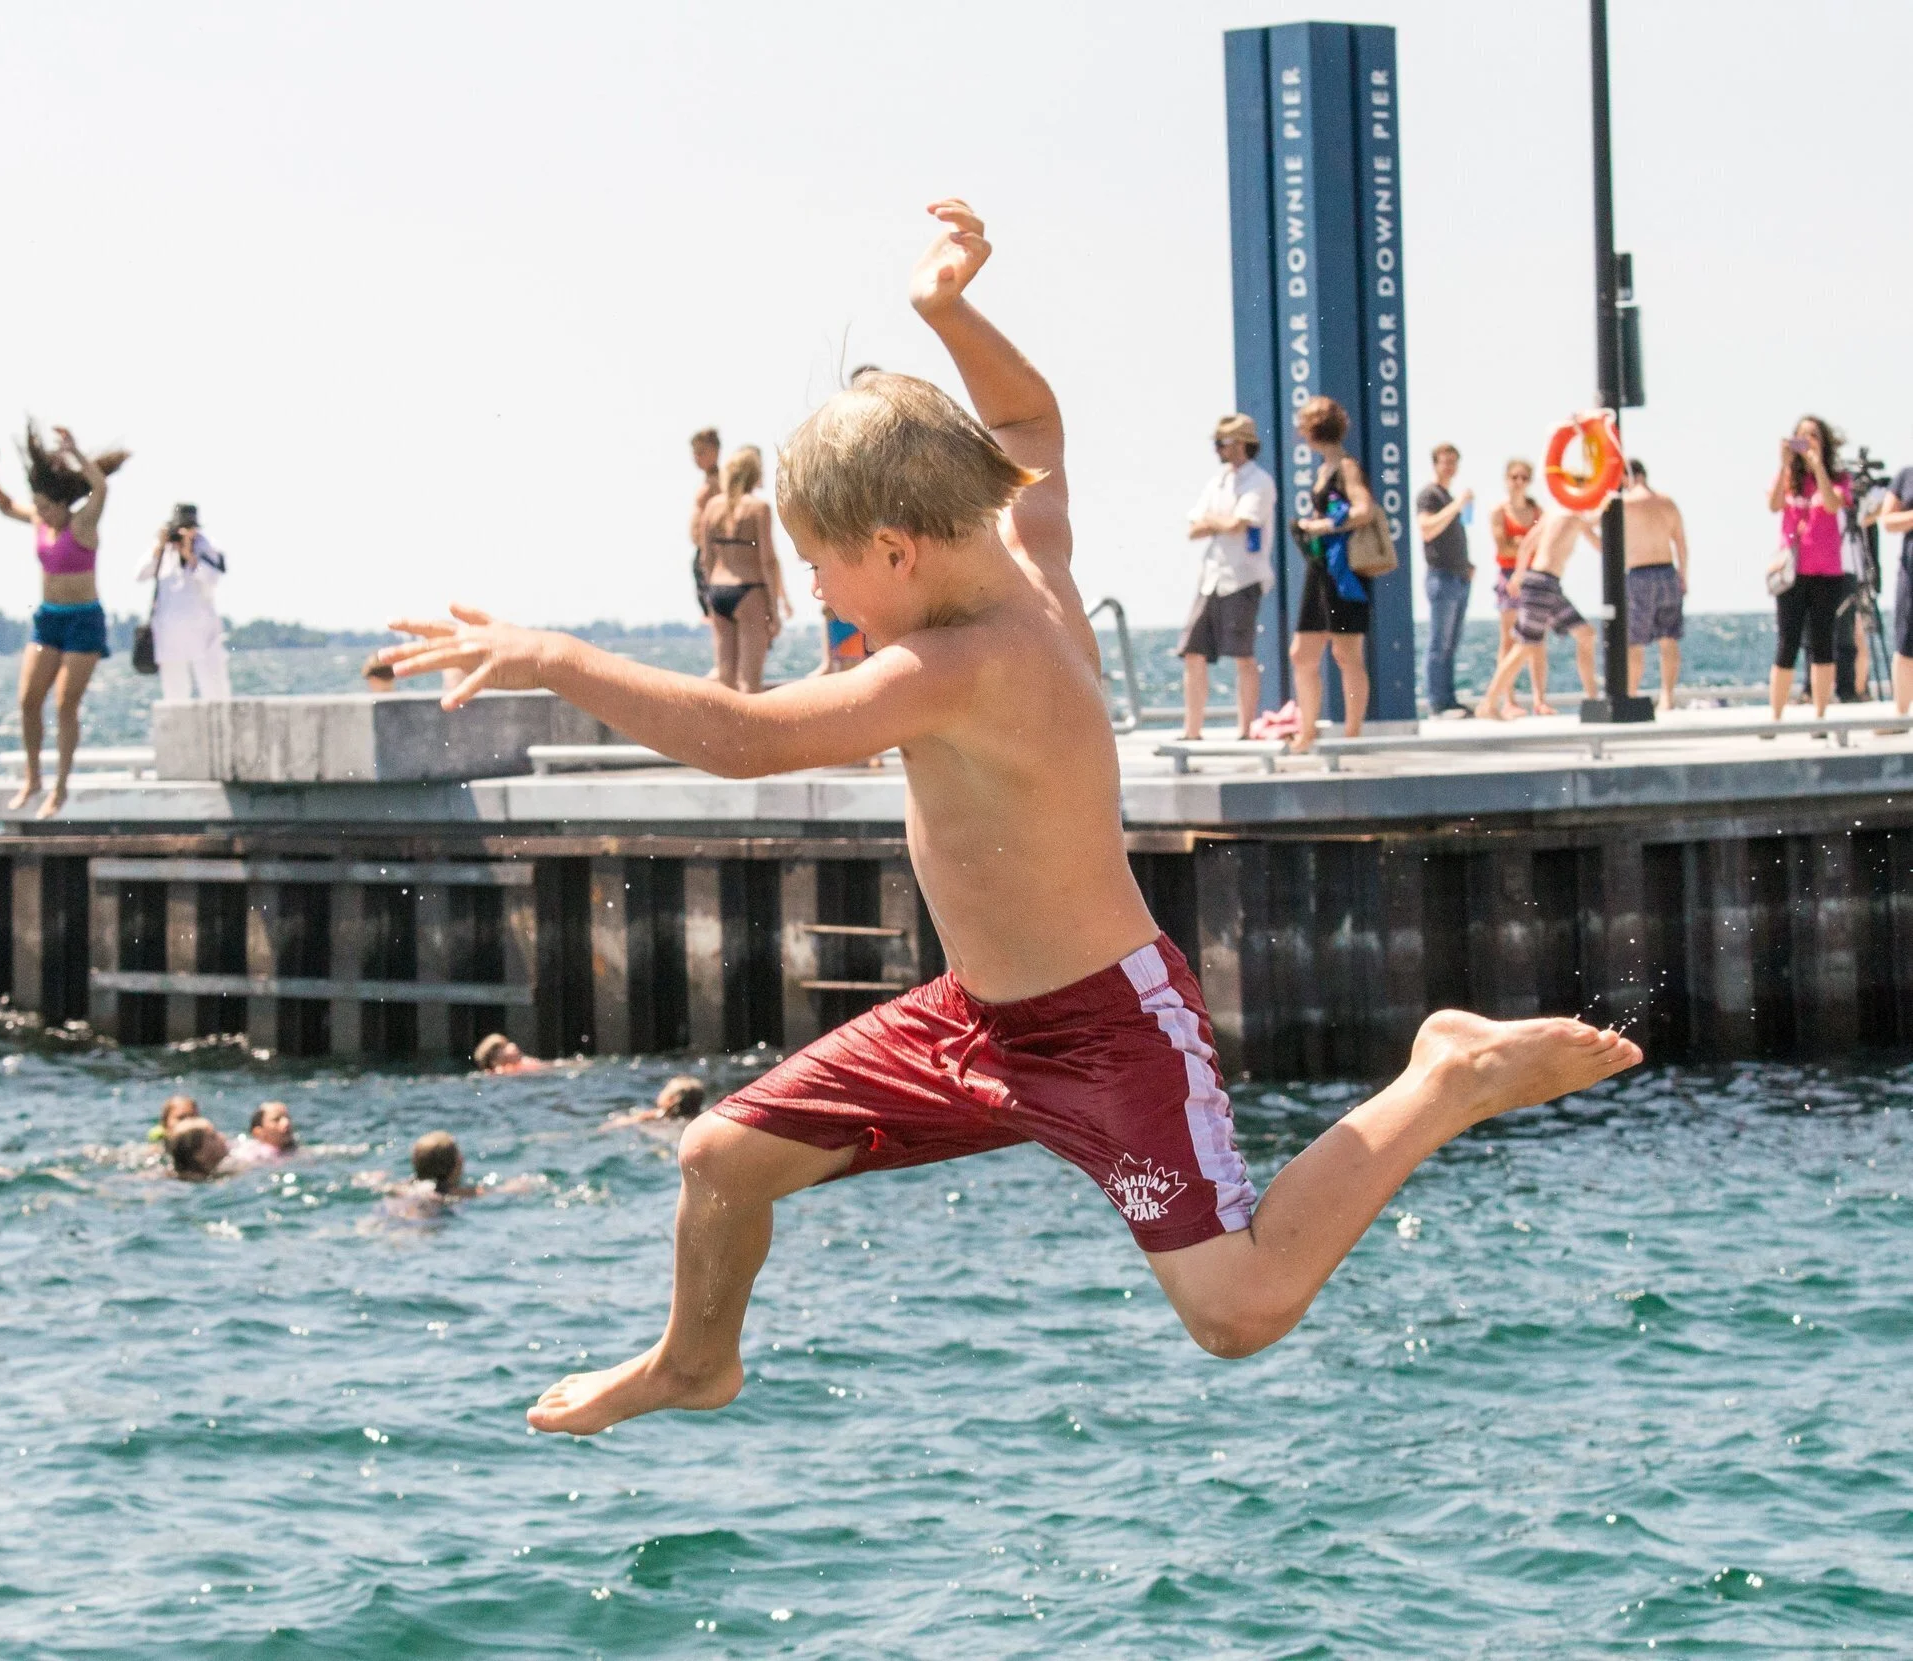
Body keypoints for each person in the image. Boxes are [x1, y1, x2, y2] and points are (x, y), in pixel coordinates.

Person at [378, 200, 1639, 1437]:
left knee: (1239, 1309)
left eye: (820, 560)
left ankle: (1442, 1075)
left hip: (1109, 1027)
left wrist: (553, 653)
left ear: (895, 548)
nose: (811, 582)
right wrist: (949, 311)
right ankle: (691, 1362)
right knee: (719, 1156)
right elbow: (1029, 420)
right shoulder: (1027, 546)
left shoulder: (960, 665)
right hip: (974, 1015)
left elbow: (745, 739)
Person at [0, 422, 129, 816]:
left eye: (47, 506)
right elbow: (6, 507)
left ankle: (60, 788)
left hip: (84, 621)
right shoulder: (39, 521)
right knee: (28, 701)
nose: (41, 514)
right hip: (48, 619)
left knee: (66, 705)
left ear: (64, 504)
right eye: (39, 507)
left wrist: (78, 453)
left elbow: (101, 488)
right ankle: (33, 778)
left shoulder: (83, 525)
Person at [1178, 414, 1278, 741]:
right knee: (1192, 651)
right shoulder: (1218, 481)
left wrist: (1214, 520)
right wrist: (1223, 521)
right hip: (1211, 577)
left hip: (1243, 577)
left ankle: (1245, 730)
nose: (1217, 449)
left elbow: (1241, 523)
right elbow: (1195, 527)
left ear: (1241, 444)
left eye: (1222, 443)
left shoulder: (1260, 481)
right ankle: (1192, 731)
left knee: (1242, 654)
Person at [1287, 396, 1377, 753]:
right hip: (1321, 568)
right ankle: (1307, 732)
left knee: (1347, 654)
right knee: (1302, 653)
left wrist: (1323, 525)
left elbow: (1364, 510)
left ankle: (1352, 735)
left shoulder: (1346, 468)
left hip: (1344, 573)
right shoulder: (1325, 469)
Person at [1768, 416, 1855, 721]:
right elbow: (1774, 505)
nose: (1807, 442)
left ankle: (1820, 716)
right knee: (1787, 643)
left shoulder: (1839, 477)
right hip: (1792, 572)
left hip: (1826, 572)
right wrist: (1784, 465)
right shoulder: (1789, 476)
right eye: (1801, 436)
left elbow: (1833, 505)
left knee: (1823, 644)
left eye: (1813, 436)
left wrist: (1818, 467)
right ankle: (1775, 717)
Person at [1477, 507, 1599, 720]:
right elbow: (1593, 524)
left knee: (1586, 634)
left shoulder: (1552, 514)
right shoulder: (1572, 514)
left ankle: (1593, 701)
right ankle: (1488, 703)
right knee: (1525, 646)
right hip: (1542, 583)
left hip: (1543, 582)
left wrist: (1518, 576)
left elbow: (1526, 546)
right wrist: (1608, 503)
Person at [693, 446, 792, 693]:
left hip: (717, 591)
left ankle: (725, 733)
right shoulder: (759, 508)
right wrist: (774, 608)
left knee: (726, 681)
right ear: (754, 473)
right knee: (750, 682)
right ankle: (753, 733)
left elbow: (706, 558)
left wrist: (708, 599)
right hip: (750, 591)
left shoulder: (713, 507)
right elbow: (768, 560)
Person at [139, 503, 230, 702]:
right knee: (174, 697)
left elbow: (213, 578)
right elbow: (140, 574)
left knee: (216, 694)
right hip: (169, 635)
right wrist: (160, 546)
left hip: (203, 634)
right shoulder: (163, 550)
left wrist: (190, 556)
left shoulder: (207, 547)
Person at [1620, 460, 1689, 709]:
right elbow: (1680, 542)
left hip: (1640, 574)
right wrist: (1684, 575)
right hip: (1667, 571)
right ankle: (1667, 697)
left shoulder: (1625, 503)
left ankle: (1631, 693)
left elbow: (1594, 523)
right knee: (1669, 638)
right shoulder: (1667, 502)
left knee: (1634, 641)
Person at [1415, 443, 1475, 718]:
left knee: (1451, 643)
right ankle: (1438, 704)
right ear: (1435, 464)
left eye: (1454, 461)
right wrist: (1456, 506)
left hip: (1459, 577)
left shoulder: (1447, 496)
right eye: (1445, 461)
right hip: (1441, 577)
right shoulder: (1430, 495)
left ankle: (1449, 700)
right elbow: (1427, 529)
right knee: (1439, 643)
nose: (1449, 466)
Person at [1488, 460, 1546, 716]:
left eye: (1523, 477)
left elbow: (1545, 545)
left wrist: (1520, 543)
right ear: (1506, 479)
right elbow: (1503, 547)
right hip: (1509, 576)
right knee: (1508, 639)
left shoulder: (1537, 512)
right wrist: (1525, 544)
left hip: (1534, 577)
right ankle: (1508, 700)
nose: (1518, 482)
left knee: (1537, 641)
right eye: (1514, 477)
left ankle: (1539, 699)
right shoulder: (1499, 512)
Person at [1870, 457, 1913, 717]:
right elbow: (1887, 520)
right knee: (1906, 642)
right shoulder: (1906, 475)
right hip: (1910, 573)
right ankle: (1901, 713)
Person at [688, 428, 721, 618]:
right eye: (694, 453)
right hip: (703, 549)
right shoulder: (709, 480)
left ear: (715, 451)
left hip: (711, 551)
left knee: (712, 610)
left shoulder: (718, 482)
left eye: (701, 452)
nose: (696, 458)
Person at [608, 1075, 709, 1128]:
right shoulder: (700, 1120)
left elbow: (622, 1122)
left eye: (666, 1088)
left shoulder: (655, 1116)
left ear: (671, 1099)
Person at [471, 1032, 548, 1075]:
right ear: (494, 1061)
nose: (512, 1045)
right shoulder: (501, 1071)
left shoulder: (524, 1063)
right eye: (504, 1047)